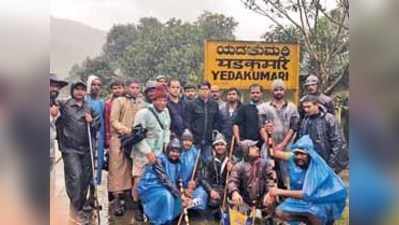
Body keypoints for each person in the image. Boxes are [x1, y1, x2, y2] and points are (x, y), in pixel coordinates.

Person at [269, 135, 347, 225]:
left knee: (314, 212)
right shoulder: (293, 158)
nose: (299, 157)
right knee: (280, 211)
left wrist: (279, 191)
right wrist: (270, 135)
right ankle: (303, 223)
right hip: (304, 201)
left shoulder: (316, 167)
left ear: (309, 154)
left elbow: (306, 194)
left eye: (303, 154)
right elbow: (274, 153)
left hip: (322, 201)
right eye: (297, 153)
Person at [56, 80, 100, 224]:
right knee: (75, 177)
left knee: (85, 180)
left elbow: (96, 127)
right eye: (77, 89)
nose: (80, 92)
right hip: (70, 149)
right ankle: (74, 211)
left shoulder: (89, 108)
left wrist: (91, 121)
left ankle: (78, 209)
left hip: (86, 149)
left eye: (82, 89)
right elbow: (52, 105)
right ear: (72, 91)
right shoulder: (64, 105)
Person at [132, 84, 171, 220]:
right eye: (159, 100)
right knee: (139, 180)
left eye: (164, 100)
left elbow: (167, 129)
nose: (162, 103)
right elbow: (136, 136)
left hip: (159, 152)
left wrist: (166, 146)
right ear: (153, 100)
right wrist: (148, 152)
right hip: (142, 154)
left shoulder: (166, 112)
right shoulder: (143, 113)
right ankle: (137, 207)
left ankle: (150, 208)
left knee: (153, 181)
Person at [109, 79, 144, 216]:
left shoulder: (142, 103)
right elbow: (113, 121)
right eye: (132, 87)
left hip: (136, 140)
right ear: (127, 88)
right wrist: (127, 130)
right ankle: (118, 201)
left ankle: (131, 201)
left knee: (134, 170)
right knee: (118, 170)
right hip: (119, 139)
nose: (135, 89)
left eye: (137, 87)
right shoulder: (119, 101)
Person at [137, 138, 191, 225]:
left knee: (178, 200)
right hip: (152, 187)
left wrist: (183, 193)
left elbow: (177, 181)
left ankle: (168, 218)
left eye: (177, 152)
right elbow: (164, 179)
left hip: (168, 187)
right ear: (168, 150)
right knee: (167, 196)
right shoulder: (160, 160)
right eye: (173, 151)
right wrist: (179, 195)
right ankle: (160, 220)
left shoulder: (178, 163)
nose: (175, 154)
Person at [258, 79, 299, 188]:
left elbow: (294, 127)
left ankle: (288, 197)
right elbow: (261, 127)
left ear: (284, 91)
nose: (279, 92)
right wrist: (269, 143)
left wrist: (283, 144)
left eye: (281, 89)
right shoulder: (264, 107)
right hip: (269, 146)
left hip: (287, 147)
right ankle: (270, 199)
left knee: (288, 174)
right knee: (269, 173)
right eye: (276, 90)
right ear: (272, 91)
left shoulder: (292, 107)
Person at [297, 95, 348, 173]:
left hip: (327, 161)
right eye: (304, 107)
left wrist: (331, 164)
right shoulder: (305, 121)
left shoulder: (329, 119)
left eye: (308, 107)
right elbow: (302, 140)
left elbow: (338, 142)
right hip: (311, 163)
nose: (306, 110)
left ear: (317, 105)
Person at [228, 140, 276, 216]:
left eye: (256, 146)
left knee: (270, 202)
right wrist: (235, 192)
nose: (257, 148)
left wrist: (269, 193)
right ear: (246, 150)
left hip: (262, 200)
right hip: (244, 201)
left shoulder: (265, 164)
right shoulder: (239, 166)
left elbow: (270, 181)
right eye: (253, 147)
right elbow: (232, 181)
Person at [184, 81, 223, 163]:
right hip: (195, 141)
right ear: (198, 91)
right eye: (202, 89)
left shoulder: (214, 104)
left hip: (208, 141)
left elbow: (217, 121)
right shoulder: (191, 104)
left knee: (208, 163)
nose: (204, 91)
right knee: (193, 164)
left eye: (206, 89)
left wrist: (215, 134)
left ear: (209, 90)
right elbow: (188, 122)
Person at [199, 131, 233, 220]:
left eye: (222, 144)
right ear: (214, 147)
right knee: (212, 204)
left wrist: (232, 169)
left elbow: (236, 179)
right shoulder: (210, 161)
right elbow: (203, 179)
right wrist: (211, 191)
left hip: (228, 190)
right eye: (217, 145)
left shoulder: (232, 160)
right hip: (214, 189)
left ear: (225, 146)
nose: (220, 147)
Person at [179, 129, 208, 212]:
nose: (187, 143)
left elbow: (200, 171)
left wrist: (195, 182)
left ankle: (190, 205)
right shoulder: (177, 152)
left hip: (191, 187)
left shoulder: (196, 153)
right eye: (185, 140)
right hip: (179, 188)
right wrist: (183, 190)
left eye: (189, 140)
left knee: (202, 194)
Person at [49, 73, 68, 201]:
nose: (55, 89)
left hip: (50, 149)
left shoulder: (54, 104)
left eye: (57, 86)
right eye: (51, 86)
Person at [86, 75, 105, 185]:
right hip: (88, 137)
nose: (96, 87)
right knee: (88, 164)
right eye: (93, 84)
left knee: (97, 164)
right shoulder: (85, 100)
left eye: (98, 85)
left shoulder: (102, 102)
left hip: (99, 136)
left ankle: (94, 194)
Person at [104, 80, 125, 151]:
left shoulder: (128, 101)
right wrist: (107, 140)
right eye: (115, 88)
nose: (117, 90)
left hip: (127, 133)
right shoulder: (108, 103)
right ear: (111, 90)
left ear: (123, 88)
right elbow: (107, 122)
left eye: (119, 88)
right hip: (114, 135)